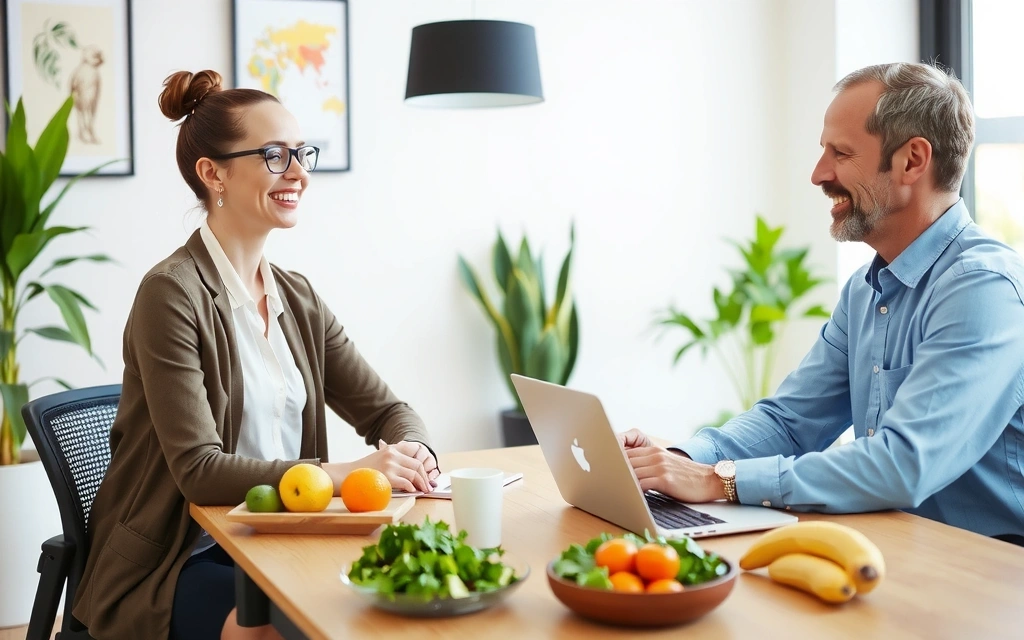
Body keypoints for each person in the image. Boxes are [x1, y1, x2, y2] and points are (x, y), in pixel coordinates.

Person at [72, 70, 441, 640]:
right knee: (281, 629)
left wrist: (413, 450)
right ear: (213, 173)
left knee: (392, 605)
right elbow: (200, 471)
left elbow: (388, 411)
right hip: (179, 556)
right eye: (274, 155)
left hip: (279, 538)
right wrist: (342, 475)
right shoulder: (170, 294)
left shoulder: (298, 296)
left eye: (302, 153)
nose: (298, 173)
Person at [620, 62, 1024, 540]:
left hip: (989, 566)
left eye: (841, 153)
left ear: (912, 161)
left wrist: (717, 480)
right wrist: (673, 464)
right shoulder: (865, 290)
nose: (818, 174)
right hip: (902, 548)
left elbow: (902, 464)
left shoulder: (983, 288)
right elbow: (790, 422)